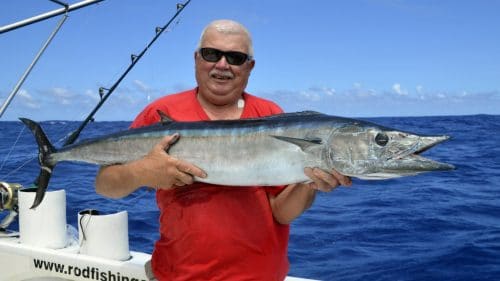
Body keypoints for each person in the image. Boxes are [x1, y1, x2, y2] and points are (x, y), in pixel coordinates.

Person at [95, 19, 352, 281]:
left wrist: (308, 183)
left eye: (235, 57)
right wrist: (141, 173)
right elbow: (105, 186)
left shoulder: (272, 116)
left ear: (249, 67)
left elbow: (282, 214)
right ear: (196, 59)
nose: (222, 64)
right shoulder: (161, 113)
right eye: (211, 54)